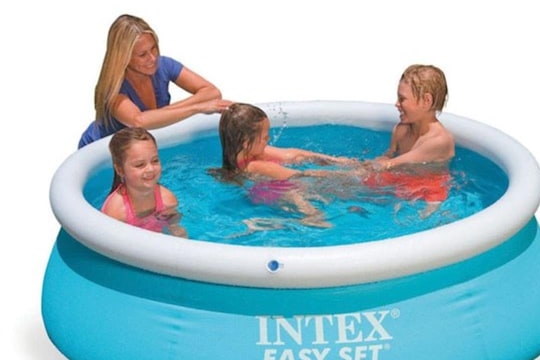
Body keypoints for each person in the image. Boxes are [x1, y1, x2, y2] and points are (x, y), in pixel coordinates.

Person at [78, 14, 232, 148]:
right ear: (124, 58)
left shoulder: (163, 65)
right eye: (142, 54)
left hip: (138, 147)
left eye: (153, 48)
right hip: (99, 147)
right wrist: (196, 108)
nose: (152, 58)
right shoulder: (113, 88)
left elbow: (212, 92)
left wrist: (162, 114)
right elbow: (139, 122)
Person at [216, 103, 353, 227]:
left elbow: (293, 154)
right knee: (304, 200)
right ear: (246, 143)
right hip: (272, 195)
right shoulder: (258, 166)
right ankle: (308, 218)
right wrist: (345, 174)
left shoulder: (242, 155)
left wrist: (336, 161)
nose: (269, 139)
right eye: (265, 137)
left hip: (259, 191)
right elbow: (301, 176)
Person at [365, 64, 456, 212]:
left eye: (402, 99)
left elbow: (390, 164)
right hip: (401, 178)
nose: (396, 104)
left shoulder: (440, 140)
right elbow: (388, 157)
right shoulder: (401, 130)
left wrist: (344, 165)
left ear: (426, 101)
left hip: (430, 190)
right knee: (350, 186)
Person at [101, 127, 187, 237]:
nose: (150, 169)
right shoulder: (116, 213)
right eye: (140, 165)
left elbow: (176, 228)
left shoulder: (167, 200)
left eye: (155, 161)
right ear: (120, 170)